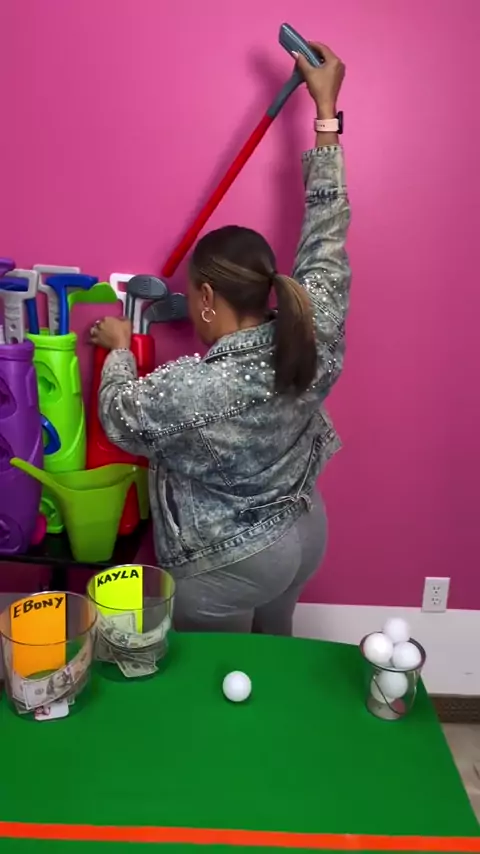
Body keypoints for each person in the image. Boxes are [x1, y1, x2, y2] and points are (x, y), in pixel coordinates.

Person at [91, 42, 351, 635]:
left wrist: (119, 350)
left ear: (206, 298)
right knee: (274, 657)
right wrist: (326, 114)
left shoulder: (195, 387)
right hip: (306, 531)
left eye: (191, 295)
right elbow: (327, 234)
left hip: (238, 557)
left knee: (201, 669)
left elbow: (119, 415)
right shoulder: (315, 326)